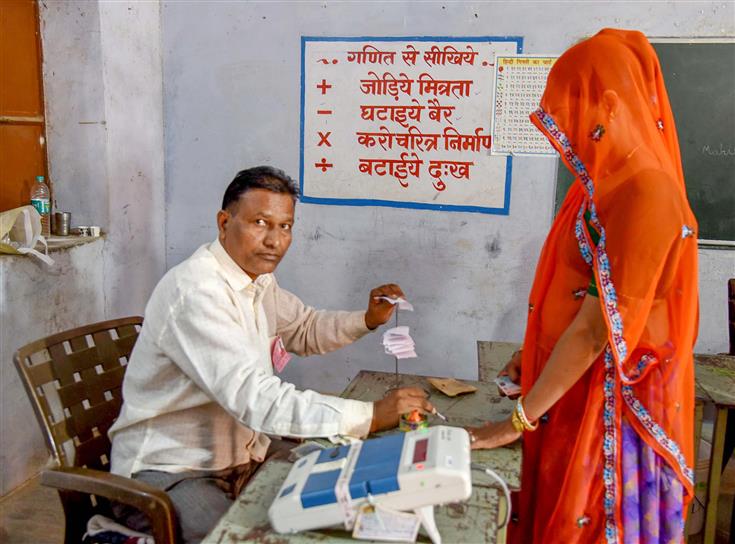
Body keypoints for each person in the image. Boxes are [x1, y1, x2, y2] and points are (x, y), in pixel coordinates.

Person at [109, 166, 433, 543]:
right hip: (171, 472)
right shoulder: (197, 291)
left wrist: (367, 319)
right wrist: (370, 414)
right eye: (260, 222)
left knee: (344, 496)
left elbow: (304, 328)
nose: (274, 240)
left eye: (285, 226)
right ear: (224, 222)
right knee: (249, 538)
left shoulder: (257, 280)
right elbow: (255, 399)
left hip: (242, 459)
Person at [467, 29, 699, 543]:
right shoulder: (603, 186)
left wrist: (517, 421)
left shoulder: (647, 193)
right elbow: (577, 290)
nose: (566, 131)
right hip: (572, 389)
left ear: (610, 104)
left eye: (573, 112)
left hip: (614, 409)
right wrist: (532, 356)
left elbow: (597, 331)